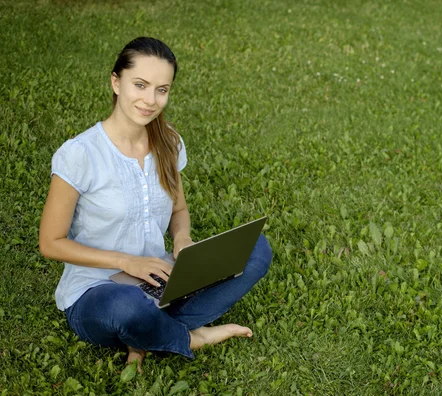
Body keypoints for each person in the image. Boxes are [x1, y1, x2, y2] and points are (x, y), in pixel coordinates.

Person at [38, 37, 272, 372]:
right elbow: (50, 242)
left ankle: (147, 333)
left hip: (160, 279)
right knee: (127, 307)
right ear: (116, 82)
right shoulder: (80, 155)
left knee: (256, 249)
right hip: (99, 293)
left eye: (161, 89)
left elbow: (178, 211)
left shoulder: (169, 142)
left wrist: (182, 240)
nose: (151, 100)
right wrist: (125, 262)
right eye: (140, 85)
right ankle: (190, 337)